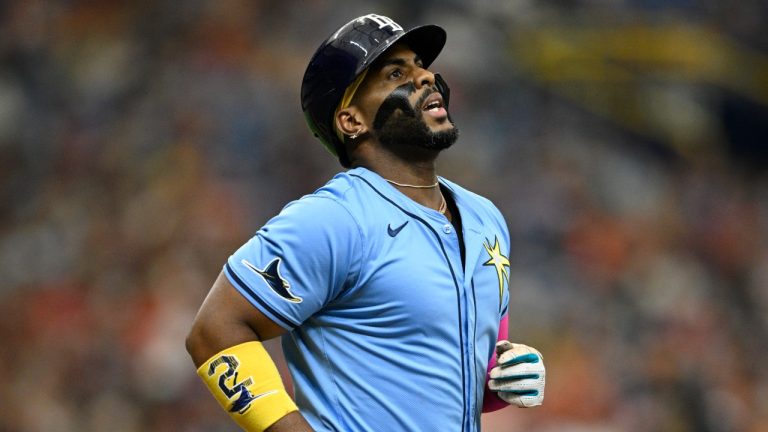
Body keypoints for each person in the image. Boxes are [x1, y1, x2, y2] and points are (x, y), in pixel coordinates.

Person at [185, 13, 546, 432]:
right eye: (396, 72)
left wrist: (501, 380)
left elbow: (444, 374)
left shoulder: (485, 217)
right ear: (351, 120)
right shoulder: (335, 218)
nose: (426, 76)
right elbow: (214, 330)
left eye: (420, 65)